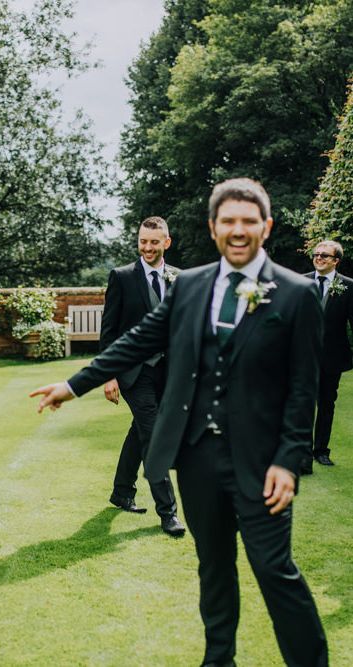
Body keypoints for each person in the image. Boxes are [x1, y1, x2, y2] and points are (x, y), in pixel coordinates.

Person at [31, 178, 328, 667]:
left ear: (266, 226)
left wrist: (288, 461)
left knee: (275, 571)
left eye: (248, 221)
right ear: (213, 228)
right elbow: (138, 339)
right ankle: (218, 661)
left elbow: (303, 389)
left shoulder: (296, 295)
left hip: (263, 464)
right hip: (198, 457)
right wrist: (73, 384)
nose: (238, 230)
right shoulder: (189, 286)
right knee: (213, 568)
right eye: (227, 221)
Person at [100, 216, 184, 537]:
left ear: (166, 242)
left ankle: (122, 491)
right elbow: (108, 331)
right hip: (134, 372)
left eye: (153, 242)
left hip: (169, 371)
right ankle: (168, 513)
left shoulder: (180, 278)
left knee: (140, 430)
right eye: (142, 242)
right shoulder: (121, 277)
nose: (147, 248)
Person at [302, 240, 353, 471]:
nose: (319, 258)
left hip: (332, 356)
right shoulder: (300, 282)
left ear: (336, 261)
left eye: (325, 255)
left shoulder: (349, 286)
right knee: (301, 405)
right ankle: (302, 453)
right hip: (301, 357)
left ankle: (321, 451)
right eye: (316, 254)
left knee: (326, 404)